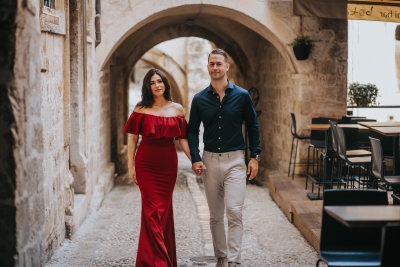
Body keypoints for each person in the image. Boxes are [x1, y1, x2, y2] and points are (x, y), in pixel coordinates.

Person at [187, 48, 261, 267]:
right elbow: (191, 130)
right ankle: (221, 258)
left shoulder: (242, 96)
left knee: (234, 211)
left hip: (236, 161)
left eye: (219, 63)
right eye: (212, 64)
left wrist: (254, 156)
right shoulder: (199, 99)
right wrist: (195, 157)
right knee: (216, 215)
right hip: (209, 161)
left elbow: (254, 126)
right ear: (208, 67)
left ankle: (233, 261)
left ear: (227, 67)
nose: (215, 67)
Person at [124, 68, 191, 267]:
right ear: (148, 87)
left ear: (165, 84)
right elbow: (133, 138)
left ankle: (161, 258)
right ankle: (158, 262)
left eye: (159, 81)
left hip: (168, 165)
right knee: (151, 210)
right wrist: (131, 166)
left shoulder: (177, 109)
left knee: (163, 212)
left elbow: (183, 139)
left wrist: (195, 159)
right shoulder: (140, 109)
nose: (157, 85)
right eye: (152, 83)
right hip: (145, 163)